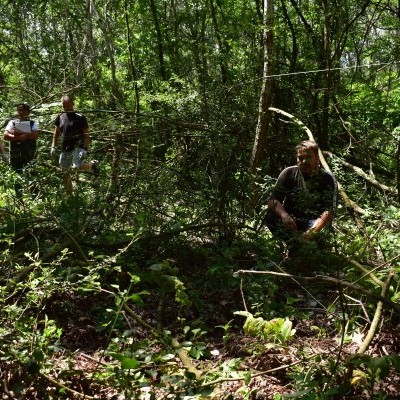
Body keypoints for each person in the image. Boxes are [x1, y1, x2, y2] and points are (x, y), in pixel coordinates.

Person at [265, 140, 337, 252]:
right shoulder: (289, 173)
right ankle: (293, 245)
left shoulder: (327, 178)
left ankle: (305, 246)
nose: (303, 161)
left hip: (314, 224)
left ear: (317, 158)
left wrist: (310, 233)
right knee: (270, 216)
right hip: (291, 222)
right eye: (300, 158)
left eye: (308, 157)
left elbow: (328, 212)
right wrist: (284, 215)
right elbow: (273, 201)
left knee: (318, 245)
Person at [51, 95, 99, 192]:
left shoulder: (80, 117)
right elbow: (56, 133)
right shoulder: (60, 116)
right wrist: (53, 146)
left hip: (78, 146)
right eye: (64, 106)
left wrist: (84, 149)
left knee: (75, 168)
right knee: (65, 171)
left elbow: (86, 134)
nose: (67, 108)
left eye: (68, 106)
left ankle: (91, 164)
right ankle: (69, 193)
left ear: (73, 104)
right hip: (65, 148)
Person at [3, 103, 39, 197]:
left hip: (29, 154)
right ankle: (19, 199)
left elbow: (35, 135)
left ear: (28, 112)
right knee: (17, 178)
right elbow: (6, 136)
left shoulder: (33, 123)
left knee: (32, 176)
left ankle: (35, 199)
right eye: (19, 110)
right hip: (16, 155)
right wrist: (17, 138)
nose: (21, 112)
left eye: (24, 110)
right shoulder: (12, 123)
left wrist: (23, 134)